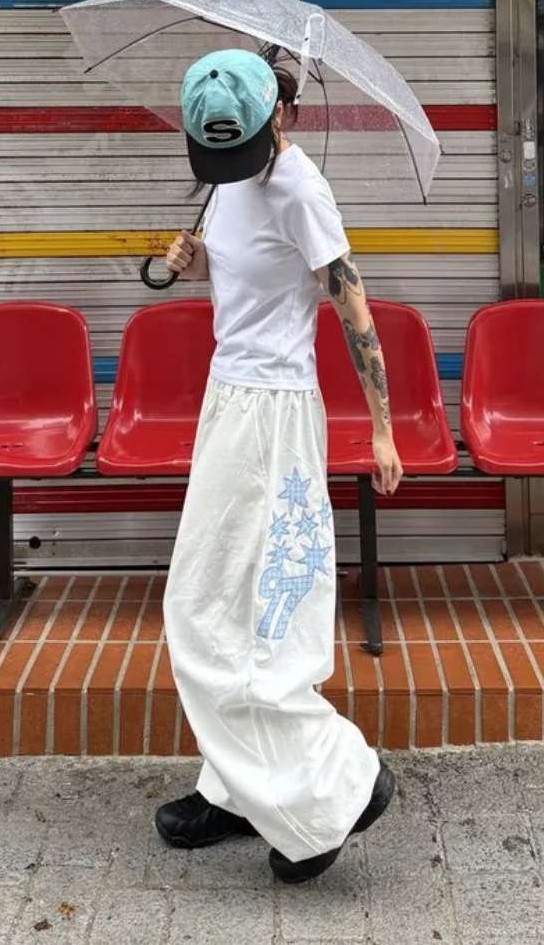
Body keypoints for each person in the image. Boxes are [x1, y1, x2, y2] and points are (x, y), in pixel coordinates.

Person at [155, 49, 402, 885]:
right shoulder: (229, 175)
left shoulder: (300, 188)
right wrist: (194, 263)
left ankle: (337, 786)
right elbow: (246, 282)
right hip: (228, 400)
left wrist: (381, 429)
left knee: (223, 615)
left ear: (280, 116)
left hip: (271, 415)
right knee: (230, 606)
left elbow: (351, 302)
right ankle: (237, 789)